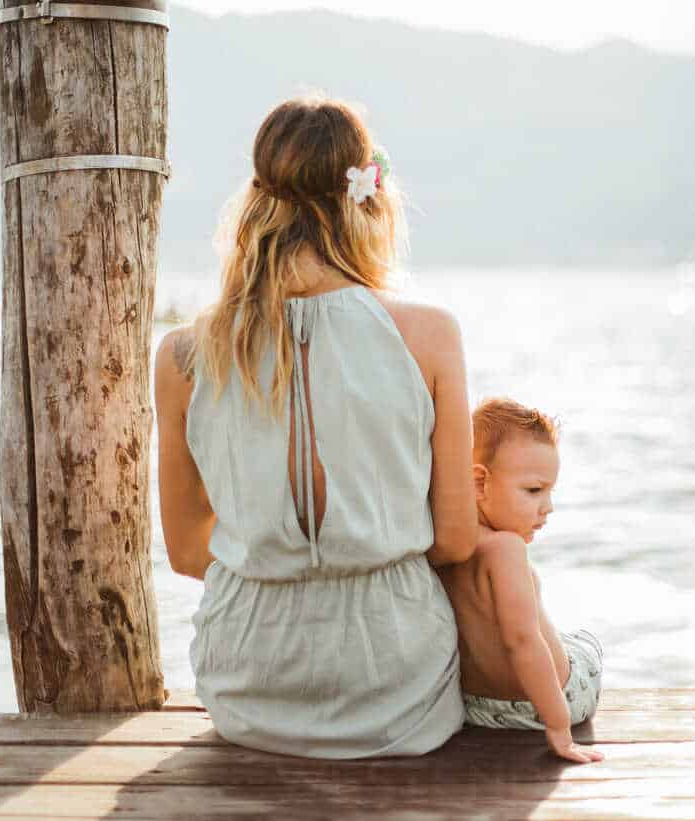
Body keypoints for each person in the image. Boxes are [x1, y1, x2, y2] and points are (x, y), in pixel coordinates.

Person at [153, 94, 478, 758]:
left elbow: (189, 552)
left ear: (256, 197)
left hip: (248, 687)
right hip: (396, 688)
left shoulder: (185, 354)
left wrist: (274, 534)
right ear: (367, 194)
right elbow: (454, 538)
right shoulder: (430, 335)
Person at [437, 398, 605, 764]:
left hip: (477, 709)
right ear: (479, 482)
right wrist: (559, 728)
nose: (548, 507)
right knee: (587, 644)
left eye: (550, 492)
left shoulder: (444, 544)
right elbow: (522, 641)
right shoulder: (506, 548)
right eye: (533, 491)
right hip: (547, 704)